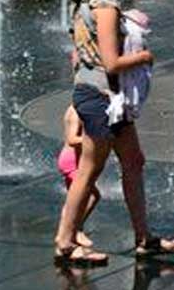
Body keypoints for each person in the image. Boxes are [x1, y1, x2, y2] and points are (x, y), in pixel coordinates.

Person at [54, 0, 174, 267]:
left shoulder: (85, 0)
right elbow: (112, 63)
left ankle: (144, 237)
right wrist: (144, 56)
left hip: (102, 96)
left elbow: (80, 53)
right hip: (101, 97)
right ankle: (65, 241)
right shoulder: (107, 6)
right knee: (88, 171)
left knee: (134, 161)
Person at [57, 106, 101, 248]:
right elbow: (72, 139)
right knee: (92, 196)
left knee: (74, 199)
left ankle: (72, 231)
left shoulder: (78, 109)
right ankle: (73, 230)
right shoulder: (75, 112)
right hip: (71, 160)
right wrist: (97, 138)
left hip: (74, 159)